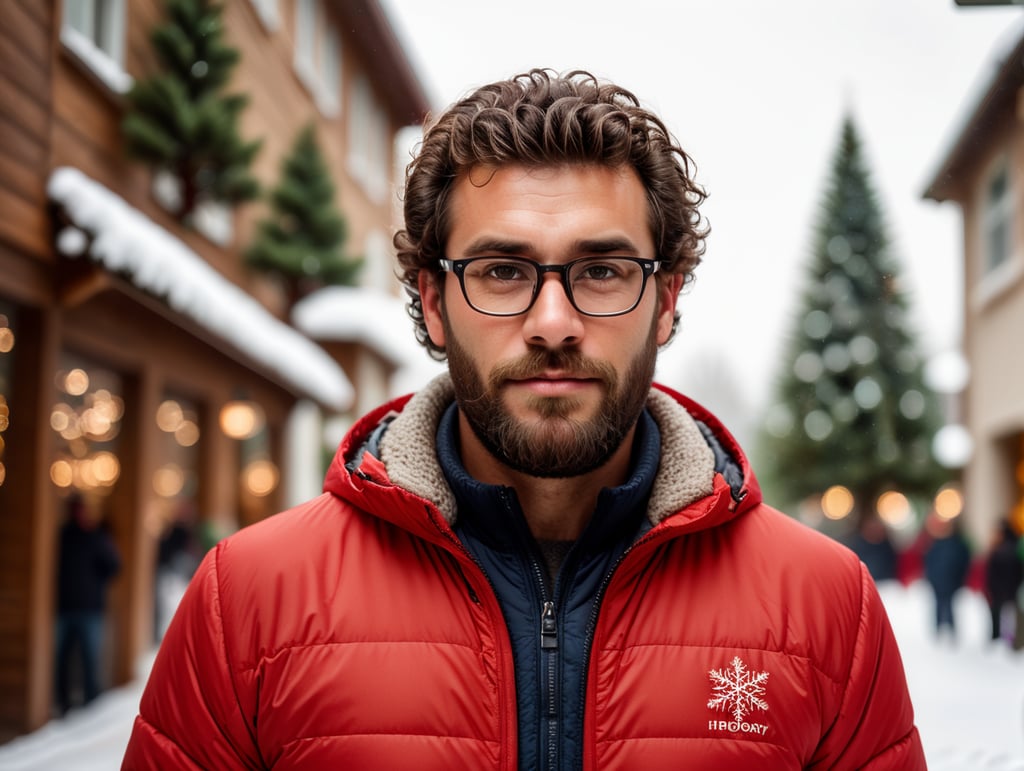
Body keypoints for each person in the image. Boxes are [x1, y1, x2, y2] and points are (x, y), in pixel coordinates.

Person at [123, 69, 925, 769]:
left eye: (603, 270)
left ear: (666, 300)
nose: (552, 321)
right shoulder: (252, 600)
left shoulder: (826, 608)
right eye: (501, 270)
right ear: (434, 303)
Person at [54, 494, 121, 715]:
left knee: (90, 660)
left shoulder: (95, 536)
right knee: (62, 661)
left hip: (90, 609)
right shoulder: (62, 536)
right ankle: (63, 703)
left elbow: (114, 566)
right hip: (64, 608)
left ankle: (91, 708)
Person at [922, 512, 972, 642]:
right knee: (938, 605)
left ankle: (951, 630)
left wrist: (960, 579)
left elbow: (964, 562)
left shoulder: (958, 544)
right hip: (938, 581)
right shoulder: (935, 543)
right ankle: (938, 629)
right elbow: (929, 561)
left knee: (950, 605)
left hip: (952, 581)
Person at [985, 517, 1023, 644]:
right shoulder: (1009, 547)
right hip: (1003, 591)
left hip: (1004, 592)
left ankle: (1005, 642)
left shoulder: (1005, 549)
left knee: (1006, 620)